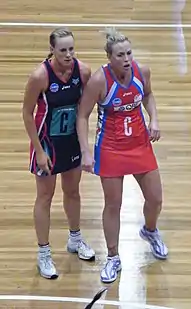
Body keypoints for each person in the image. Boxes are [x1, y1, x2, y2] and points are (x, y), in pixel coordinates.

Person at [76, 27, 168, 284]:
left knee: (156, 199)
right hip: (111, 148)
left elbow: (148, 95)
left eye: (129, 53)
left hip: (140, 144)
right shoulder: (98, 81)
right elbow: (82, 115)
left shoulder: (142, 72)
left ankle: (150, 231)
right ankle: (113, 256)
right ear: (109, 57)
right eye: (120, 55)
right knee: (113, 204)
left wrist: (154, 118)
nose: (126, 59)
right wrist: (86, 151)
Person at [22, 27, 95, 280]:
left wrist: (86, 147)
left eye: (71, 49)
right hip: (47, 144)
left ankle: (75, 239)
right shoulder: (40, 76)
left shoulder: (82, 71)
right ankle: (43, 253)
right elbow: (27, 114)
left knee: (73, 191)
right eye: (62, 49)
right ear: (52, 49)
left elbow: (85, 110)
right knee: (45, 196)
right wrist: (39, 151)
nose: (68, 54)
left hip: (71, 142)